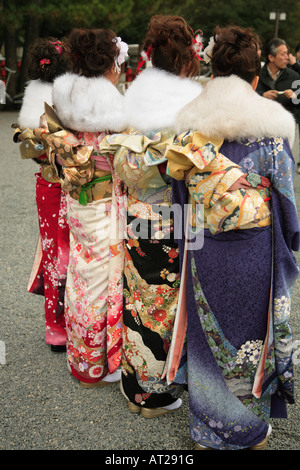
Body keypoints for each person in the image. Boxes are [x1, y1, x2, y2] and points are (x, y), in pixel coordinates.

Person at [164, 25, 299, 449]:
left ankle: (207, 428)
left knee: (207, 334)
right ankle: (247, 430)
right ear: (256, 78)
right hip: (255, 250)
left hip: (205, 247)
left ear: (212, 70)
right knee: (250, 336)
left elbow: (179, 194)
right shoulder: (272, 130)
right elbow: (287, 201)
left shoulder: (189, 128)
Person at [99, 15, 202, 417]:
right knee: (170, 300)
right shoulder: (189, 102)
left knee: (140, 296)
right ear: (187, 58)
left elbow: (124, 159)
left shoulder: (135, 95)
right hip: (177, 215)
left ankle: (137, 386)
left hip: (138, 211)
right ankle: (160, 390)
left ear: (152, 54)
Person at [35, 28, 128, 386]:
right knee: (101, 281)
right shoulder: (109, 103)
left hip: (76, 198)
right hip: (104, 200)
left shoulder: (66, 93)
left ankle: (81, 361)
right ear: (108, 65)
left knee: (80, 274)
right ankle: (97, 363)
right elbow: (122, 157)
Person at [13, 37, 70, 352]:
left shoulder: (32, 97)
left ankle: (55, 326)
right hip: (75, 182)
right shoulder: (68, 95)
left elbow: (29, 150)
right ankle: (74, 322)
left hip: (47, 182)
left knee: (53, 254)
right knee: (76, 252)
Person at [256, 38, 300, 170]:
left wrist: (294, 97)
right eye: (283, 54)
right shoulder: (257, 75)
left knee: (281, 168)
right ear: (271, 57)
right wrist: (262, 96)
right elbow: (246, 97)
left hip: (284, 131)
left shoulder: (294, 77)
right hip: (260, 129)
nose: (287, 57)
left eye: (287, 53)